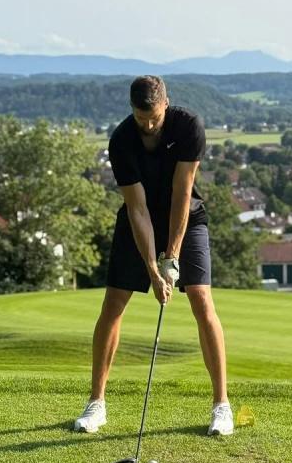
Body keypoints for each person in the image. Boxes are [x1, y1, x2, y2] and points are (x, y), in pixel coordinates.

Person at [73, 75, 234, 436]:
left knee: (201, 300)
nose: (147, 125)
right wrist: (151, 268)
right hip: (140, 219)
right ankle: (96, 403)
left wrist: (171, 259)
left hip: (186, 218)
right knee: (113, 304)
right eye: (140, 117)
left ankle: (221, 406)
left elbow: (182, 194)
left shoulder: (188, 127)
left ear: (166, 103)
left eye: (154, 117)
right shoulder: (121, 140)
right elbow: (137, 209)